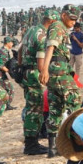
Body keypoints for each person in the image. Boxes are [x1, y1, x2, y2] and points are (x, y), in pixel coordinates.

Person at [39, 4, 83, 157]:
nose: (73, 22)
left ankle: (52, 148)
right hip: (59, 69)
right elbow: (50, 48)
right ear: (63, 15)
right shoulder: (57, 26)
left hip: (57, 69)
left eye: (75, 19)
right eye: (71, 18)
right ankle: (78, 140)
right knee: (75, 100)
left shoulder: (62, 28)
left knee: (56, 108)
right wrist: (44, 70)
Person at [17, 9, 58, 155]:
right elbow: (41, 64)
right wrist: (45, 76)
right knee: (35, 110)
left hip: (27, 73)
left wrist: (21, 66)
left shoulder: (31, 30)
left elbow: (20, 49)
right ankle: (31, 145)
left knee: (30, 107)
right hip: (35, 74)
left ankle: (31, 143)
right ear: (52, 22)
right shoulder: (43, 36)